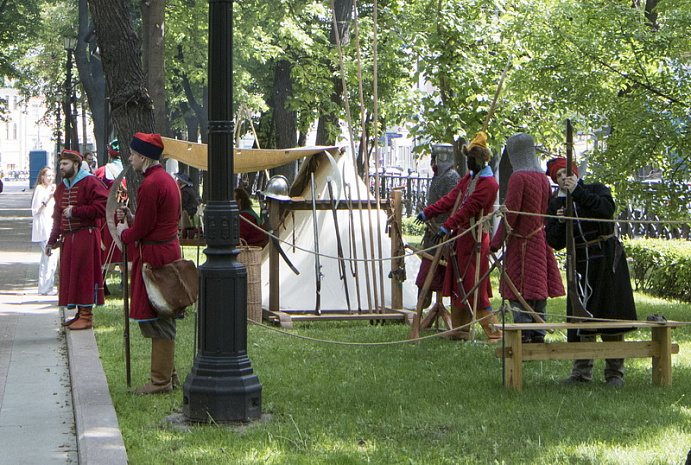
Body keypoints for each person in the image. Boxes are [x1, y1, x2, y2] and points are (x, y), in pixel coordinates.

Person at [545, 157, 637, 387]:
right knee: (581, 315)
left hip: (606, 259)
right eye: (559, 176)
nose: (564, 178)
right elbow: (554, 242)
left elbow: (605, 210)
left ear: (575, 173)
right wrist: (558, 222)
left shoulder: (596, 190)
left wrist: (577, 191)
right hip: (580, 262)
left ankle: (615, 373)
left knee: (610, 315)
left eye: (567, 173)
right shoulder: (556, 203)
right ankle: (581, 373)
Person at [416, 132, 502, 342]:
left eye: (470, 159)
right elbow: (453, 198)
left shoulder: (488, 183)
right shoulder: (469, 177)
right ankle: (461, 329)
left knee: (472, 285)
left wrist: (447, 226)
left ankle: (494, 332)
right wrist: (430, 211)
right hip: (461, 238)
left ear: (479, 159)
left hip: (475, 239)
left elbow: (468, 209)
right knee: (458, 282)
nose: (468, 162)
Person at [116, 133, 182, 394]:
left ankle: (160, 382)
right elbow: (154, 221)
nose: (130, 158)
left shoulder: (151, 184)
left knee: (159, 315)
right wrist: (133, 218)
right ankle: (169, 375)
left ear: (143, 156)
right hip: (165, 253)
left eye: (133, 154)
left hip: (156, 258)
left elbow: (143, 229)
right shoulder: (166, 180)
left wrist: (124, 232)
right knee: (162, 314)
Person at [490, 134, 565, 343]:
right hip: (540, 240)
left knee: (520, 287)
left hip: (522, 242)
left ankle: (524, 332)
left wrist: (495, 243)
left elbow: (510, 215)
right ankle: (538, 331)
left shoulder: (519, 178)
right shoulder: (542, 177)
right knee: (537, 287)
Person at [46, 149, 108, 330]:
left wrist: (76, 211)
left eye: (65, 164)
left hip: (86, 236)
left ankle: (87, 316)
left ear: (76, 164)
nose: (61, 168)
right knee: (73, 276)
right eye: (60, 164)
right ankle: (80, 314)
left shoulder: (90, 182)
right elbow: (57, 216)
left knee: (85, 276)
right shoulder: (62, 187)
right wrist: (51, 240)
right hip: (69, 239)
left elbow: (103, 207)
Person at [414, 144, 461, 310]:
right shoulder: (438, 177)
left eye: (435, 158)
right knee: (428, 267)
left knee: (438, 268)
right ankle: (424, 300)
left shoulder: (452, 177)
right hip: (432, 232)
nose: (432, 161)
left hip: (444, 232)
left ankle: (435, 304)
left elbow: (450, 205)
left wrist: (443, 226)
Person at [31, 167, 59, 295]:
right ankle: (46, 287)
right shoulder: (40, 189)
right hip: (43, 227)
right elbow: (36, 210)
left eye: (52, 176)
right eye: (47, 175)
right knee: (50, 256)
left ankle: (45, 287)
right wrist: (48, 198)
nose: (50, 178)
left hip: (51, 225)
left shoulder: (52, 188)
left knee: (48, 258)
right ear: (42, 177)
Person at [174, 172, 200, 239]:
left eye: (179, 180)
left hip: (189, 210)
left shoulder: (185, 191)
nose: (177, 181)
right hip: (191, 208)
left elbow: (183, 203)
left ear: (182, 182)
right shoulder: (188, 189)